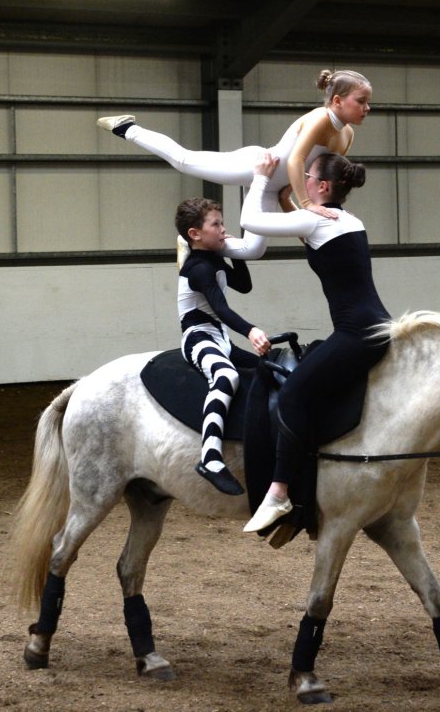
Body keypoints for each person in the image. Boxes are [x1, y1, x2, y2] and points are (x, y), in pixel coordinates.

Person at [237, 151, 390, 532]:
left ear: (322, 186)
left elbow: (248, 221)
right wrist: (289, 199)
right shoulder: (347, 220)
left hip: (356, 333)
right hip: (375, 327)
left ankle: (279, 492)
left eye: (308, 176)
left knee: (292, 394)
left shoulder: (316, 220)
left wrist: (259, 178)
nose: (303, 179)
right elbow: (307, 232)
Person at [97, 69, 372, 219]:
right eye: (361, 101)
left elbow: (318, 171)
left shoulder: (347, 134)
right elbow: (295, 160)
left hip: (272, 186)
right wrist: (306, 204)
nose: (367, 108)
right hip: (257, 166)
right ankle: (128, 129)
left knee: (254, 249)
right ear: (337, 101)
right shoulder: (320, 119)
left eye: (367, 102)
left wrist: (289, 198)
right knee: (184, 160)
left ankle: (198, 248)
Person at [175, 198, 271, 495]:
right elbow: (221, 307)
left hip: (220, 337)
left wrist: (236, 252)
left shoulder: (214, 259)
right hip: (198, 336)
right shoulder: (198, 268)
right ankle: (211, 456)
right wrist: (251, 330)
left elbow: (244, 284)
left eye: (222, 222)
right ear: (195, 234)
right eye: (216, 224)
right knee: (226, 377)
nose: (222, 229)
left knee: (270, 369)